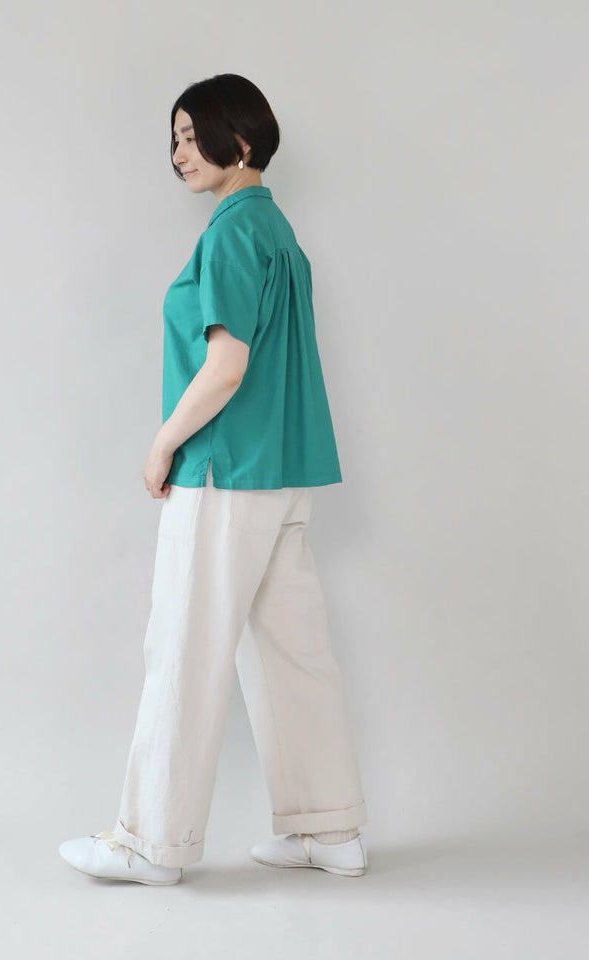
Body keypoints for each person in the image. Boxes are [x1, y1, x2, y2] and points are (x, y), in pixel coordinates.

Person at [59, 74, 367, 885]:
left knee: (183, 648)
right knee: (294, 655)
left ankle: (149, 844)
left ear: (243, 137)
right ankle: (328, 829)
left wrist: (163, 444)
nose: (179, 153)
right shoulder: (277, 229)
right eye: (174, 138)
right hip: (283, 476)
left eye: (193, 135)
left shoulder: (232, 233)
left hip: (225, 474)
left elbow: (227, 367)